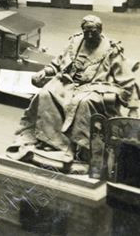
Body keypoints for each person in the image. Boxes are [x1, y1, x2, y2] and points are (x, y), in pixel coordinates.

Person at [12, 15, 135, 162]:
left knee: (82, 103)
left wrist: (133, 106)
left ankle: (79, 148)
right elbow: (57, 64)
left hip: (95, 88)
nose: (89, 35)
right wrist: (44, 72)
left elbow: (127, 79)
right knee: (46, 93)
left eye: (93, 32)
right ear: (82, 30)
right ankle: (53, 142)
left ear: (100, 31)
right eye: (86, 32)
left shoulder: (111, 50)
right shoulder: (74, 42)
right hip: (69, 83)